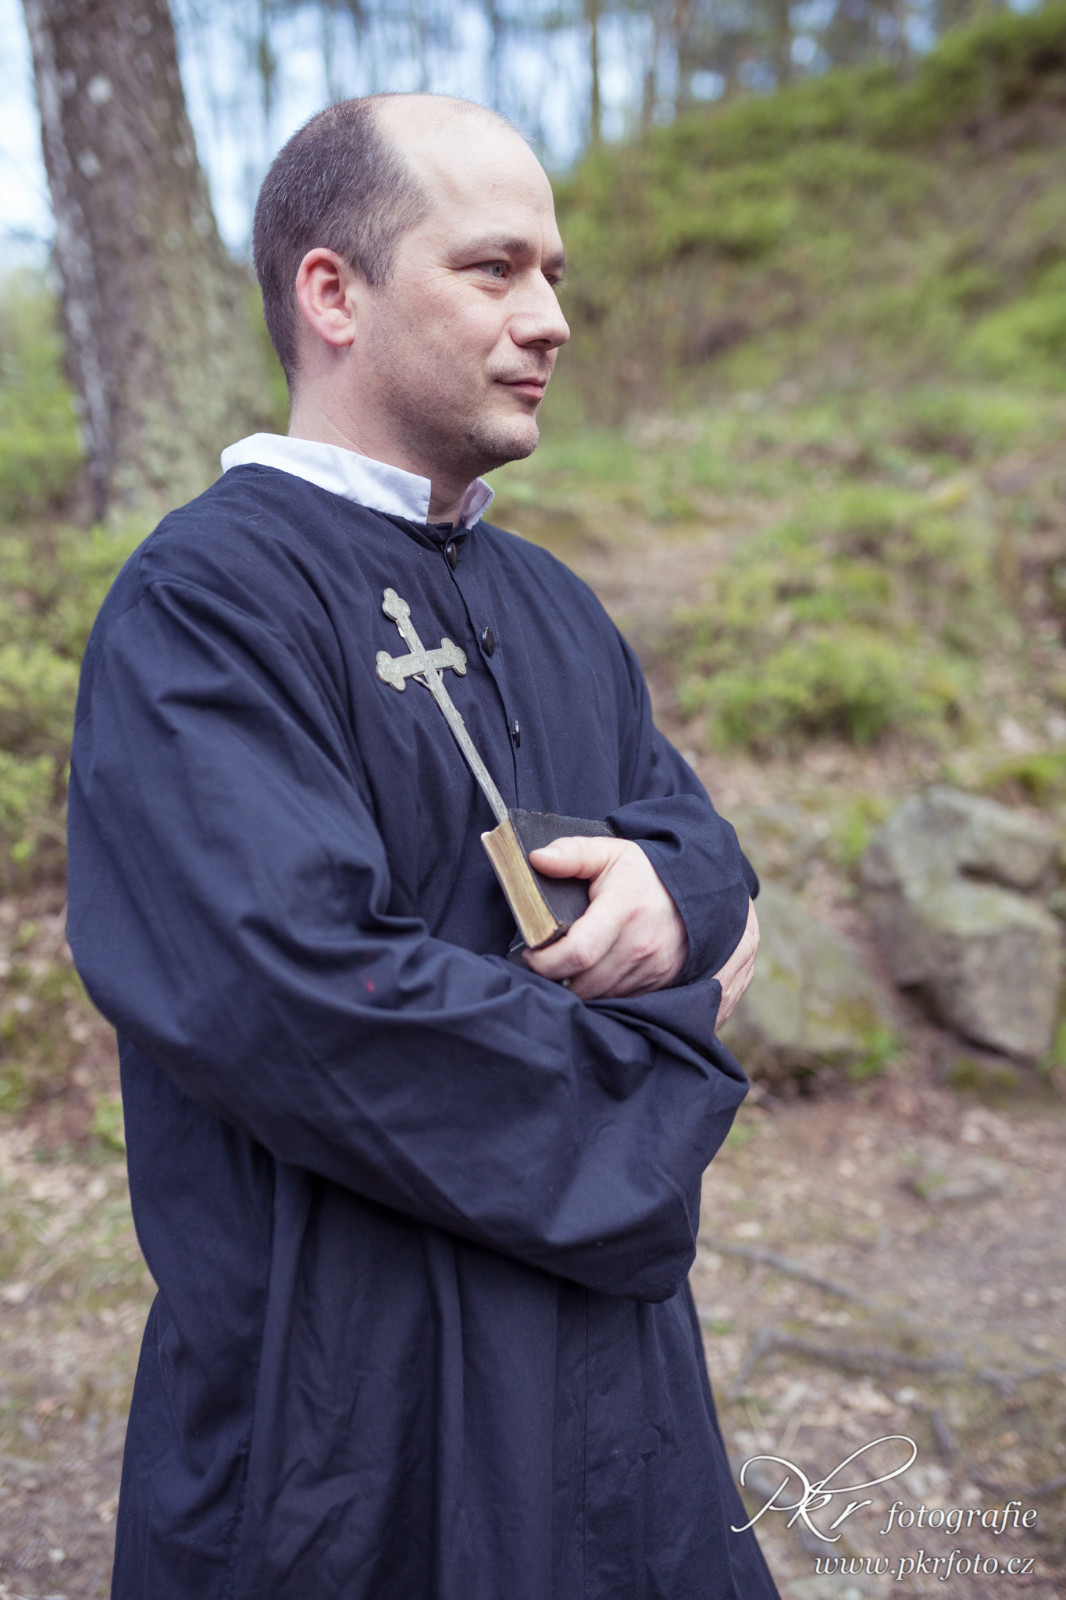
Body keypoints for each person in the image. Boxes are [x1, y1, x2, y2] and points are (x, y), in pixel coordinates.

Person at [66, 93, 775, 1600]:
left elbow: (691, 841)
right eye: (493, 268)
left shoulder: (550, 600)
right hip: (343, 1413)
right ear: (333, 292)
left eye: (554, 274)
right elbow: (296, 994)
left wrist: (689, 897)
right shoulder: (204, 604)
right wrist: (660, 1071)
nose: (550, 317)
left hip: (615, 1386)